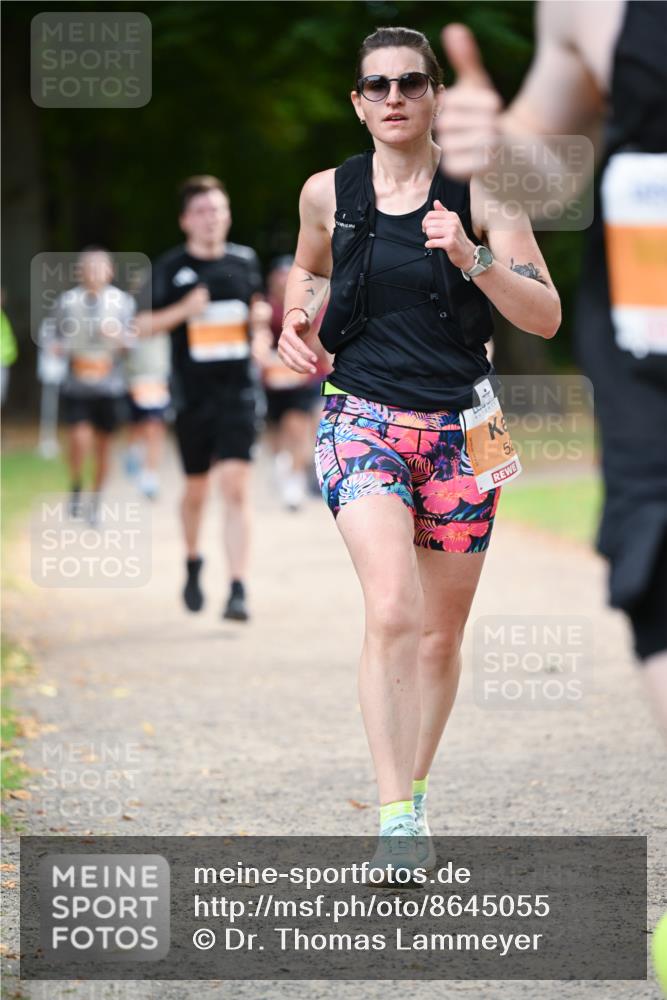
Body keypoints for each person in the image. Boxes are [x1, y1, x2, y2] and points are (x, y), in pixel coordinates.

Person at [278, 26, 560, 876]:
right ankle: (393, 815)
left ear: (434, 93)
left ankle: (416, 790)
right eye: (377, 85)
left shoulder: (482, 189)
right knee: (393, 608)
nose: (394, 97)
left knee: (439, 636)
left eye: (410, 82)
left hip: (464, 431)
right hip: (358, 414)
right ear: (358, 102)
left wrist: (472, 258)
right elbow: (309, 272)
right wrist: (295, 319)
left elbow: (543, 315)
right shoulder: (327, 192)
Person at [434, 4, 667, 734]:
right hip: (649, 329)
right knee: (655, 563)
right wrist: (496, 146)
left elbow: (538, 309)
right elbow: (544, 170)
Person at [135, 176, 271, 621]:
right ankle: (193, 562)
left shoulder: (245, 261)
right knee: (197, 491)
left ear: (228, 214)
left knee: (235, 487)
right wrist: (182, 311)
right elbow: (141, 326)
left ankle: (238, 587)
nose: (211, 218)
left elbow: (256, 318)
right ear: (184, 220)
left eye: (218, 209)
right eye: (201, 211)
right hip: (192, 397)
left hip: (238, 393)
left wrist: (259, 326)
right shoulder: (170, 267)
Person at [49, 248, 134, 519]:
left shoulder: (122, 303)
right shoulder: (66, 301)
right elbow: (53, 335)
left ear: (110, 271)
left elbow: (133, 343)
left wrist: (118, 337)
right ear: (79, 271)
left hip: (108, 386)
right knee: (78, 439)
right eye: (89, 267)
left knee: (103, 447)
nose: (94, 272)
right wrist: (59, 348)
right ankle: (76, 484)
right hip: (77, 384)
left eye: (100, 267)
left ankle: (96, 500)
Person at [260, 255, 327, 511]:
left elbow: (319, 343)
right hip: (273, 381)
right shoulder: (265, 307)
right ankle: (282, 467)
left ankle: (295, 485)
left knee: (298, 427)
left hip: (304, 377)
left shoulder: (311, 306)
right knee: (277, 433)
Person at [123, 326, 171, 500]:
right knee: (137, 426)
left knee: (154, 426)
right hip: (134, 378)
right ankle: (132, 453)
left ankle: (150, 475)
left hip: (158, 379)